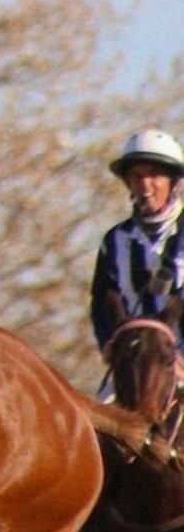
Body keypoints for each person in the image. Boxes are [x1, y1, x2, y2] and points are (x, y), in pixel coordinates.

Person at [90, 128, 184, 395]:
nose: (145, 184)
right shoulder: (114, 240)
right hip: (132, 363)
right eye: (136, 176)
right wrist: (110, 345)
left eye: (154, 175)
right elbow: (101, 300)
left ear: (173, 182)